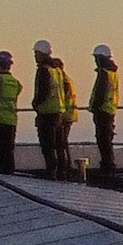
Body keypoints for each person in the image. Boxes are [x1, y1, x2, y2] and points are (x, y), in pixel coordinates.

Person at [31, 40, 78, 180]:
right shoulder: (56, 70)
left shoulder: (44, 70)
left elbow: (43, 91)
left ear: (41, 54)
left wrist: (35, 103)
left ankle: (52, 172)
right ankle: (61, 172)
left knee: (48, 146)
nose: (35, 56)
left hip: (47, 113)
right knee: (59, 145)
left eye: (36, 53)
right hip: (58, 112)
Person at [87, 44, 121, 177]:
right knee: (107, 140)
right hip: (109, 110)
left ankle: (107, 168)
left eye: (96, 58)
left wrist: (95, 107)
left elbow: (100, 93)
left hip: (102, 111)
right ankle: (109, 166)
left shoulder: (104, 73)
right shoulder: (112, 73)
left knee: (103, 141)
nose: (95, 60)